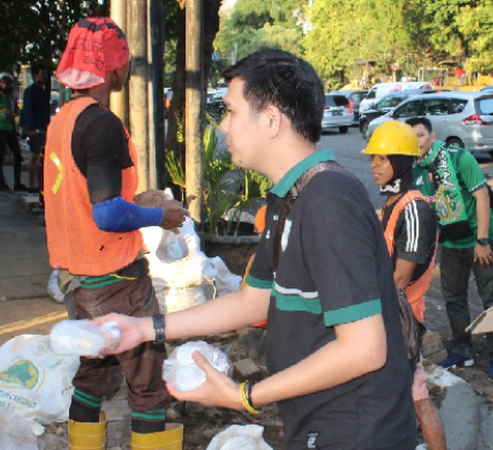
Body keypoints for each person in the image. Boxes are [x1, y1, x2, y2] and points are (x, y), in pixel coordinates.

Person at [93, 48, 416, 450]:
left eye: (230, 111)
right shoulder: (290, 197)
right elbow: (253, 302)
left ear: (270, 120)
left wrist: (244, 397)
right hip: (316, 421)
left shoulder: (328, 201)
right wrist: (142, 329)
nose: (224, 127)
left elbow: (365, 349)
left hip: (356, 431)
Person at [43, 17, 188, 450]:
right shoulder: (102, 124)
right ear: (113, 66)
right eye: (124, 61)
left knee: (95, 370)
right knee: (146, 382)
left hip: (78, 277)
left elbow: (82, 195)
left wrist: (137, 199)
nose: (127, 70)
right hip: (115, 278)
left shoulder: (63, 119)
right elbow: (106, 215)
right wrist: (159, 216)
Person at [363, 120, 446, 450]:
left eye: (383, 159)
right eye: (373, 158)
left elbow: (399, 277)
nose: (374, 166)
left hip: (402, 319)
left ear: (401, 162)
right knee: (404, 397)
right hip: (388, 314)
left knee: (417, 398)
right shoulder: (392, 203)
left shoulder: (413, 209)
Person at [407, 116, 493, 383]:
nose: (416, 142)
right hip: (451, 240)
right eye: (411, 137)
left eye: (420, 135)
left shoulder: (458, 158)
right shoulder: (412, 167)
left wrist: (483, 241)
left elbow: (482, 195)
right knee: (453, 297)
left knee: (491, 298)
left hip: (480, 239)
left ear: (431, 135)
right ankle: (463, 349)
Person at [0, 72, 25, 192]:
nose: (4, 86)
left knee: (18, 156)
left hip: (10, 129)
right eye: (2, 83)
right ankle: (2, 184)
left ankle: (17, 183)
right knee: (0, 158)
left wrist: (14, 115)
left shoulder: (12, 97)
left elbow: (18, 110)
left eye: (7, 83)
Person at [20, 64, 50, 195]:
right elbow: (28, 110)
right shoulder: (30, 91)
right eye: (42, 73)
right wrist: (31, 128)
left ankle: (38, 183)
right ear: (35, 75)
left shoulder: (42, 91)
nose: (44, 76)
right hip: (35, 129)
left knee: (39, 156)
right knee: (34, 155)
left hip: (42, 127)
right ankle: (33, 183)